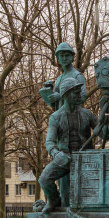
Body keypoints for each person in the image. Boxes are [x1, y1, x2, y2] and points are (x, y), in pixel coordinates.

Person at [39, 78, 98, 213]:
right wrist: (56, 153)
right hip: (65, 158)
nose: (79, 95)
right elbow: (50, 141)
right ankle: (54, 200)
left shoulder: (87, 114)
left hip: (85, 160)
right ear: (66, 94)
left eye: (79, 92)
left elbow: (102, 133)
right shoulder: (55, 117)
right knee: (44, 179)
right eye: (76, 93)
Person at [40, 42, 87, 206]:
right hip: (61, 124)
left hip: (75, 122)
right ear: (58, 58)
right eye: (61, 56)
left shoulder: (77, 76)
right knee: (62, 180)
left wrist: (59, 96)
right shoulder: (59, 78)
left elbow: (81, 97)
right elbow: (57, 104)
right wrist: (50, 97)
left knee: (75, 184)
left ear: (73, 57)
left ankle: (70, 208)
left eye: (67, 55)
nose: (64, 58)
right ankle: (59, 204)